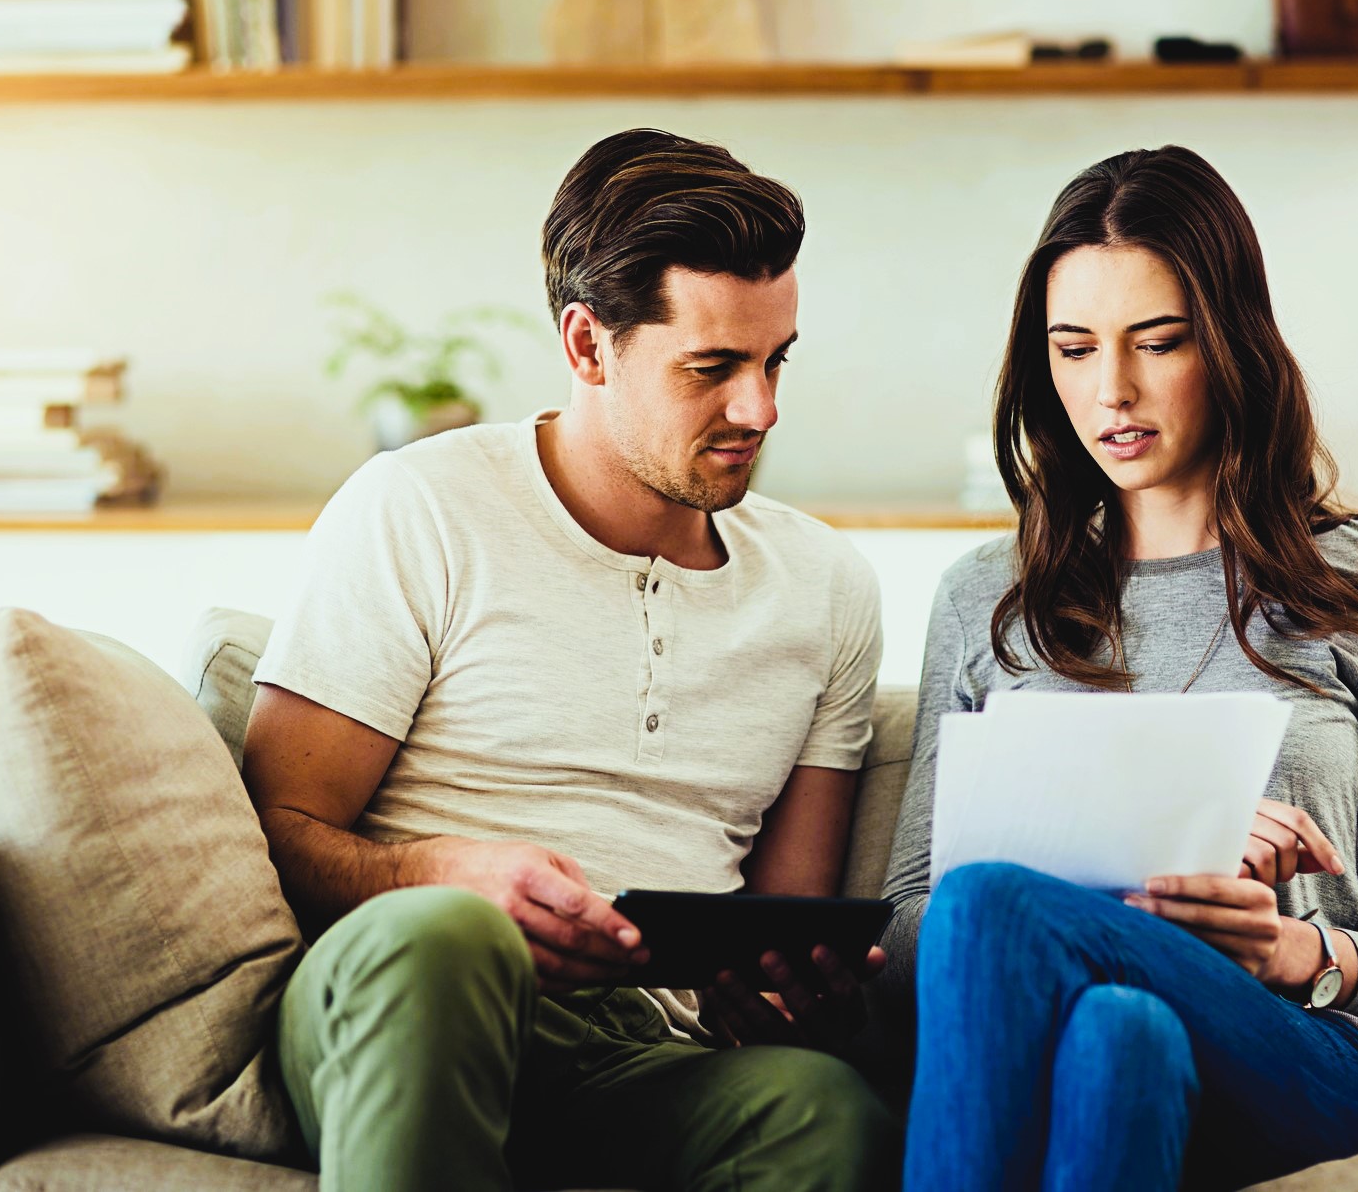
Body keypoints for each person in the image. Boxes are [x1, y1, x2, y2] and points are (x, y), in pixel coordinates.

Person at [243, 129, 897, 1192]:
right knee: (449, 941)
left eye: (775, 360)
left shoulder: (826, 585)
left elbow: (781, 918)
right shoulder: (421, 507)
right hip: (410, 1007)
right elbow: (275, 828)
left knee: (823, 1108)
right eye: (712, 368)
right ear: (588, 345)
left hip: (643, 1056)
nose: (760, 410)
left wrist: (780, 988)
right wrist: (430, 872)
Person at [879, 146, 1358, 1191]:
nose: (1111, 389)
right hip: (1090, 1037)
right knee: (1120, 1033)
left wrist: (1301, 954)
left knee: (989, 902)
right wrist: (1144, 845)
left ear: (1231, 342)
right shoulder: (985, 595)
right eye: (1073, 349)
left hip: (1302, 1061)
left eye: (1157, 342)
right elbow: (903, 934)